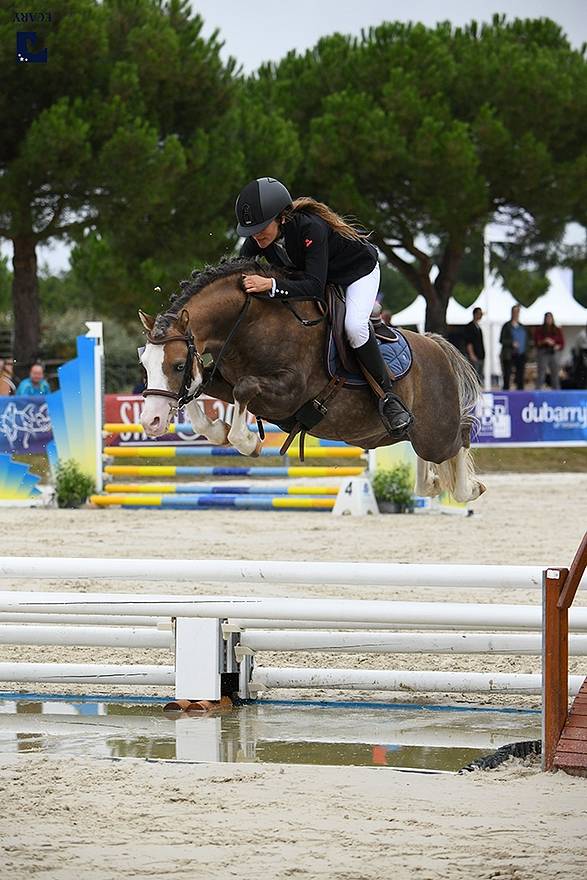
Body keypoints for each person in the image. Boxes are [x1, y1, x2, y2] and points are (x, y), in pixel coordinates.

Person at [235, 177, 412, 437]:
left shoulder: (311, 229)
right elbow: (237, 271)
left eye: (262, 227)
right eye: (252, 230)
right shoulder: (258, 238)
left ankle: (388, 399)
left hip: (357, 273)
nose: (257, 235)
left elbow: (315, 287)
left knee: (354, 326)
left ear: (282, 217)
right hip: (321, 276)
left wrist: (271, 285)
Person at [499, 305, 529, 390]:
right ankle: (506, 391)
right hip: (509, 354)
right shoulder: (507, 326)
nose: (516, 313)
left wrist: (526, 351)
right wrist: (512, 343)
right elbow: (501, 340)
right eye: (514, 311)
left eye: (518, 311)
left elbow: (526, 340)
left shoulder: (522, 327)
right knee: (507, 375)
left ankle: (520, 393)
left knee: (520, 376)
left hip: (521, 354)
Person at [534, 312, 565, 390]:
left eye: (550, 318)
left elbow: (562, 343)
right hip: (543, 352)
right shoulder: (539, 330)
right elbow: (537, 342)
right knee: (541, 373)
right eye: (547, 318)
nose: (548, 320)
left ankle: (556, 390)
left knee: (555, 373)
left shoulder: (557, 330)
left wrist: (556, 345)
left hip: (553, 353)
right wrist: (545, 341)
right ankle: (538, 390)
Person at [463, 307, 485, 383]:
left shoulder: (478, 327)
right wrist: (471, 354)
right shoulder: (470, 327)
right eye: (479, 314)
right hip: (474, 355)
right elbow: (468, 342)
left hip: (480, 355)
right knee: (474, 375)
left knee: (479, 375)